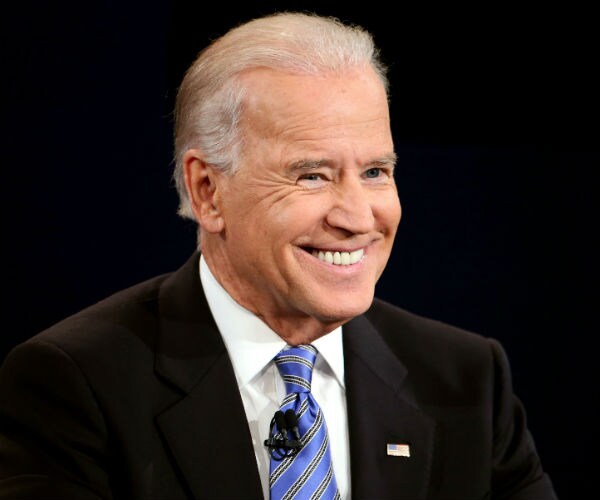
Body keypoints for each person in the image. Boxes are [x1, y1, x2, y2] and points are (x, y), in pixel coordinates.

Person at [0, 11, 557, 500]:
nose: (358, 217)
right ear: (208, 192)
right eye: (312, 175)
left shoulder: (466, 381)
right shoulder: (75, 384)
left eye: (375, 172)